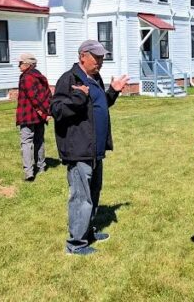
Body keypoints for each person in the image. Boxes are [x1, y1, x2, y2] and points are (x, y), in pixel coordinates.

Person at [50, 40, 128, 256]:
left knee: (93, 194)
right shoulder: (70, 79)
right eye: (96, 57)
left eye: (102, 57)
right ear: (83, 56)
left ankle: (88, 232)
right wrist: (78, 97)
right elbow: (56, 110)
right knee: (81, 198)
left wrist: (112, 92)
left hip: (95, 149)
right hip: (79, 149)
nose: (100, 61)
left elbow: (96, 106)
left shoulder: (94, 78)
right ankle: (75, 244)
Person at [16, 53, 51, 181]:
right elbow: (48, 95)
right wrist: (46, 112)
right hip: (40, 116)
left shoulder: (26, 77)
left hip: (28, 115)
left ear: (28, 64)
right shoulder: (40, 76)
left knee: (26, 142)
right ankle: (41, 167)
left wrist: (40, 110)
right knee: (39, 140)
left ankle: (29, 172)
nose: (18, 65)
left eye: (20, 63)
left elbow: (33, 97)